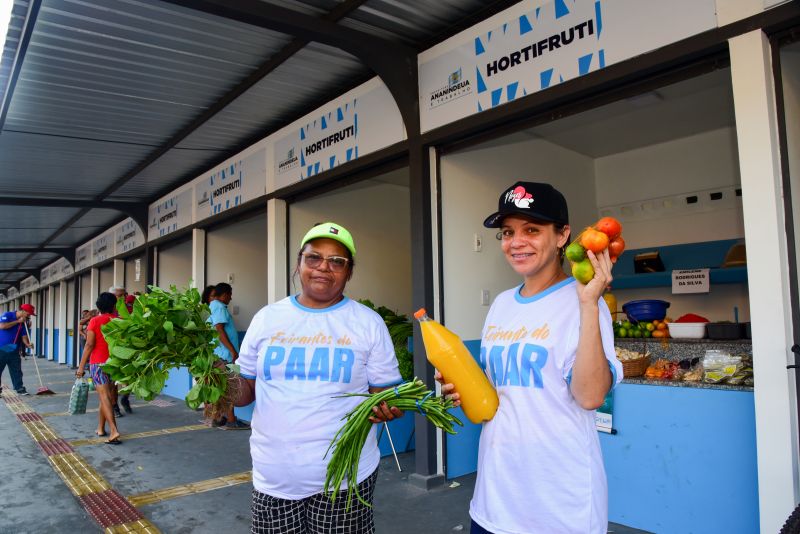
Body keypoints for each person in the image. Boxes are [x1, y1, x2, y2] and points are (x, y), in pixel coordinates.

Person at [438, 182, 623, 534]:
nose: (516, 242)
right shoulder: (502, 304)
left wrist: (588, 302)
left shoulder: (587, 301)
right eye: (508, 232)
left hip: (559, 507)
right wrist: (463, 386)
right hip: (495, 499)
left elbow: (590, 396)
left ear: (562, 236)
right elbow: (501, 395)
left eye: (532, 230)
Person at [230, 222, 403, 533]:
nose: (324, 267)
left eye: (337, 261)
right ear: (299, 263)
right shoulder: (267, 318)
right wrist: (217, 379)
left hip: (346, 478)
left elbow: (384, 395)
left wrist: (389, 407)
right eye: (314, 257)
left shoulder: (368, 323)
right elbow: (245, 394)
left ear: (349, 272)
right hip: (274, 478)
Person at [76, 292, 122, 445]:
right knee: (106, 396)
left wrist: (81, 367)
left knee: (104, 396)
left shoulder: (95, 321)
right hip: (114, 363)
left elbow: (89, 345)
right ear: (114, 306)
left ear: (99, 306)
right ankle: (101, 428)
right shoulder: (119, 321)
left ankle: (114, 430)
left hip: (98, 363)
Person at [208, 282, 249, 430]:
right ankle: (231, 420)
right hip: (224, 356)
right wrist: (233, 351)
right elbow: (219, 330)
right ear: (224, 294)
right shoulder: (219, 307)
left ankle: (217, 418)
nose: (231, 298)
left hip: (218, 354)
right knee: (229, 387)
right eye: (230, 295)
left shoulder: (214, 306)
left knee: (219, 387)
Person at [0, 304, 35, 396]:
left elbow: (24, 336)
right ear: (23, 311)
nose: (29, 316)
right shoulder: (7, 315)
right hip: (1, 348)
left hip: (14, 349)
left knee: (16, 370)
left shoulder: (23, 323)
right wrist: (17, 321)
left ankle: (19, 388)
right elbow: (2, 326)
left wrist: (27, 344)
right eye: (28, 314)